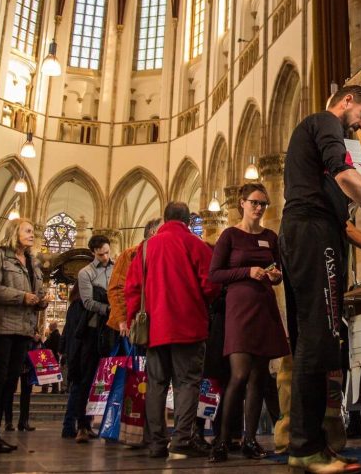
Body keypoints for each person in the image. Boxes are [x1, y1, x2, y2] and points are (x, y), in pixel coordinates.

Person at [280, 85, 361, 473]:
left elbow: (340, 219)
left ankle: (312, 445)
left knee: (315, 339)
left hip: (313, 233)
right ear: (347, 101)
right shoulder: (326, 122)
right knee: (318, 338)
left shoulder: (317, 141)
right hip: (312, 236)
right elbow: (346, 177)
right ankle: (305, 448)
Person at [124, 202, 219, 460]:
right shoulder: (195, 245)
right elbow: (211, 285)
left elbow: (132, 289)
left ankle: (156, 443)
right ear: (188, 221)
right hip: (189, 326)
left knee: (155, 385)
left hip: (155, 329)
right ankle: (181, 440)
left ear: (165, 219)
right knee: (187, 384)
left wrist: (132, 317)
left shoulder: (145, 248)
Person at [208, 183, 288, 462]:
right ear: (241, 203)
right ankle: (221, 440)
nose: (259, 208)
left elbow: (278, 269)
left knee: (258, 377)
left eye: (263, 204)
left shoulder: (270, 236)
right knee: (239, 375)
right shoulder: (230, 235)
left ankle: (250, 440)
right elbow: (215, 274)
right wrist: (247, 271)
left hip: (264, 308)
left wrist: (276, 275)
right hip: (239, 310)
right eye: (254, 202)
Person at [0, 218, 48, 454]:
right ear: (14, 233)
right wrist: (21, 297)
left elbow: (36, 293)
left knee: (10, 381)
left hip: (23, 328)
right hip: (2, 326)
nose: (32, 234)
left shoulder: (32, 263)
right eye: (28, 231)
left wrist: (41, 300)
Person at [72, 235, 115, 444]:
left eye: (107, 252)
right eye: (101, 254)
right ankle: (83, 424)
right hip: (93, 331)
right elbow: (88, 302)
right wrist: (109, 307)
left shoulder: (116, 267)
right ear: (93, 253)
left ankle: (110, 424)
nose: (105, 257)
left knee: (111, 377)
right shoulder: (85, 273)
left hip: (112, 329)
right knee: (87, 377)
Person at [107, 219, 161, 337]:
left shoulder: (163, 254)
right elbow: (117, 288)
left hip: (156, 323)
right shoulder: (131, 254)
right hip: (131, 324)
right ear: (153, 232)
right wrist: (123, 320)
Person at [60, 284, 86, 439]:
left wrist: (64, 350)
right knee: (78, 389)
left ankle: (76, 424)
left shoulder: (72, 307)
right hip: (79, 352)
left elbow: (66, 331)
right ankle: (69, 425)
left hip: (73, 352)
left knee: (78, 389)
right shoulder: (80, 307)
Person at [3, 332, 41, 432]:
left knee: (26, 394)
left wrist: (37, 340)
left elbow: (38, 347)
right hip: (14, 361)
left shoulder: (32, 328)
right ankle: (8, 421)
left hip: (28, 363)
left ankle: (23, 421)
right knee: (9, 391)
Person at [41, 322, 61, 393]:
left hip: (51, 357)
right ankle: (53, 389)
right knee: (52, 374)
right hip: (53, 357)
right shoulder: (53, 335)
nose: (49, 326)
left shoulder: (55, 335)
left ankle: (52, 390)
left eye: (50, 325)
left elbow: (51, 346)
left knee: (50, 374)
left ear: (53, 326)